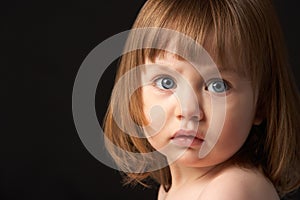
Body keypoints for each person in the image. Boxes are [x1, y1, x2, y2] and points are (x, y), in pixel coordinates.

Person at [103, 0, 300, 199]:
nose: (188, 110)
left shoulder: (231, 189)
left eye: (218, 86)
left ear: (261, 104)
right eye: (166, 83)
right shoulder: (170, 190)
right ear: (135, 93)